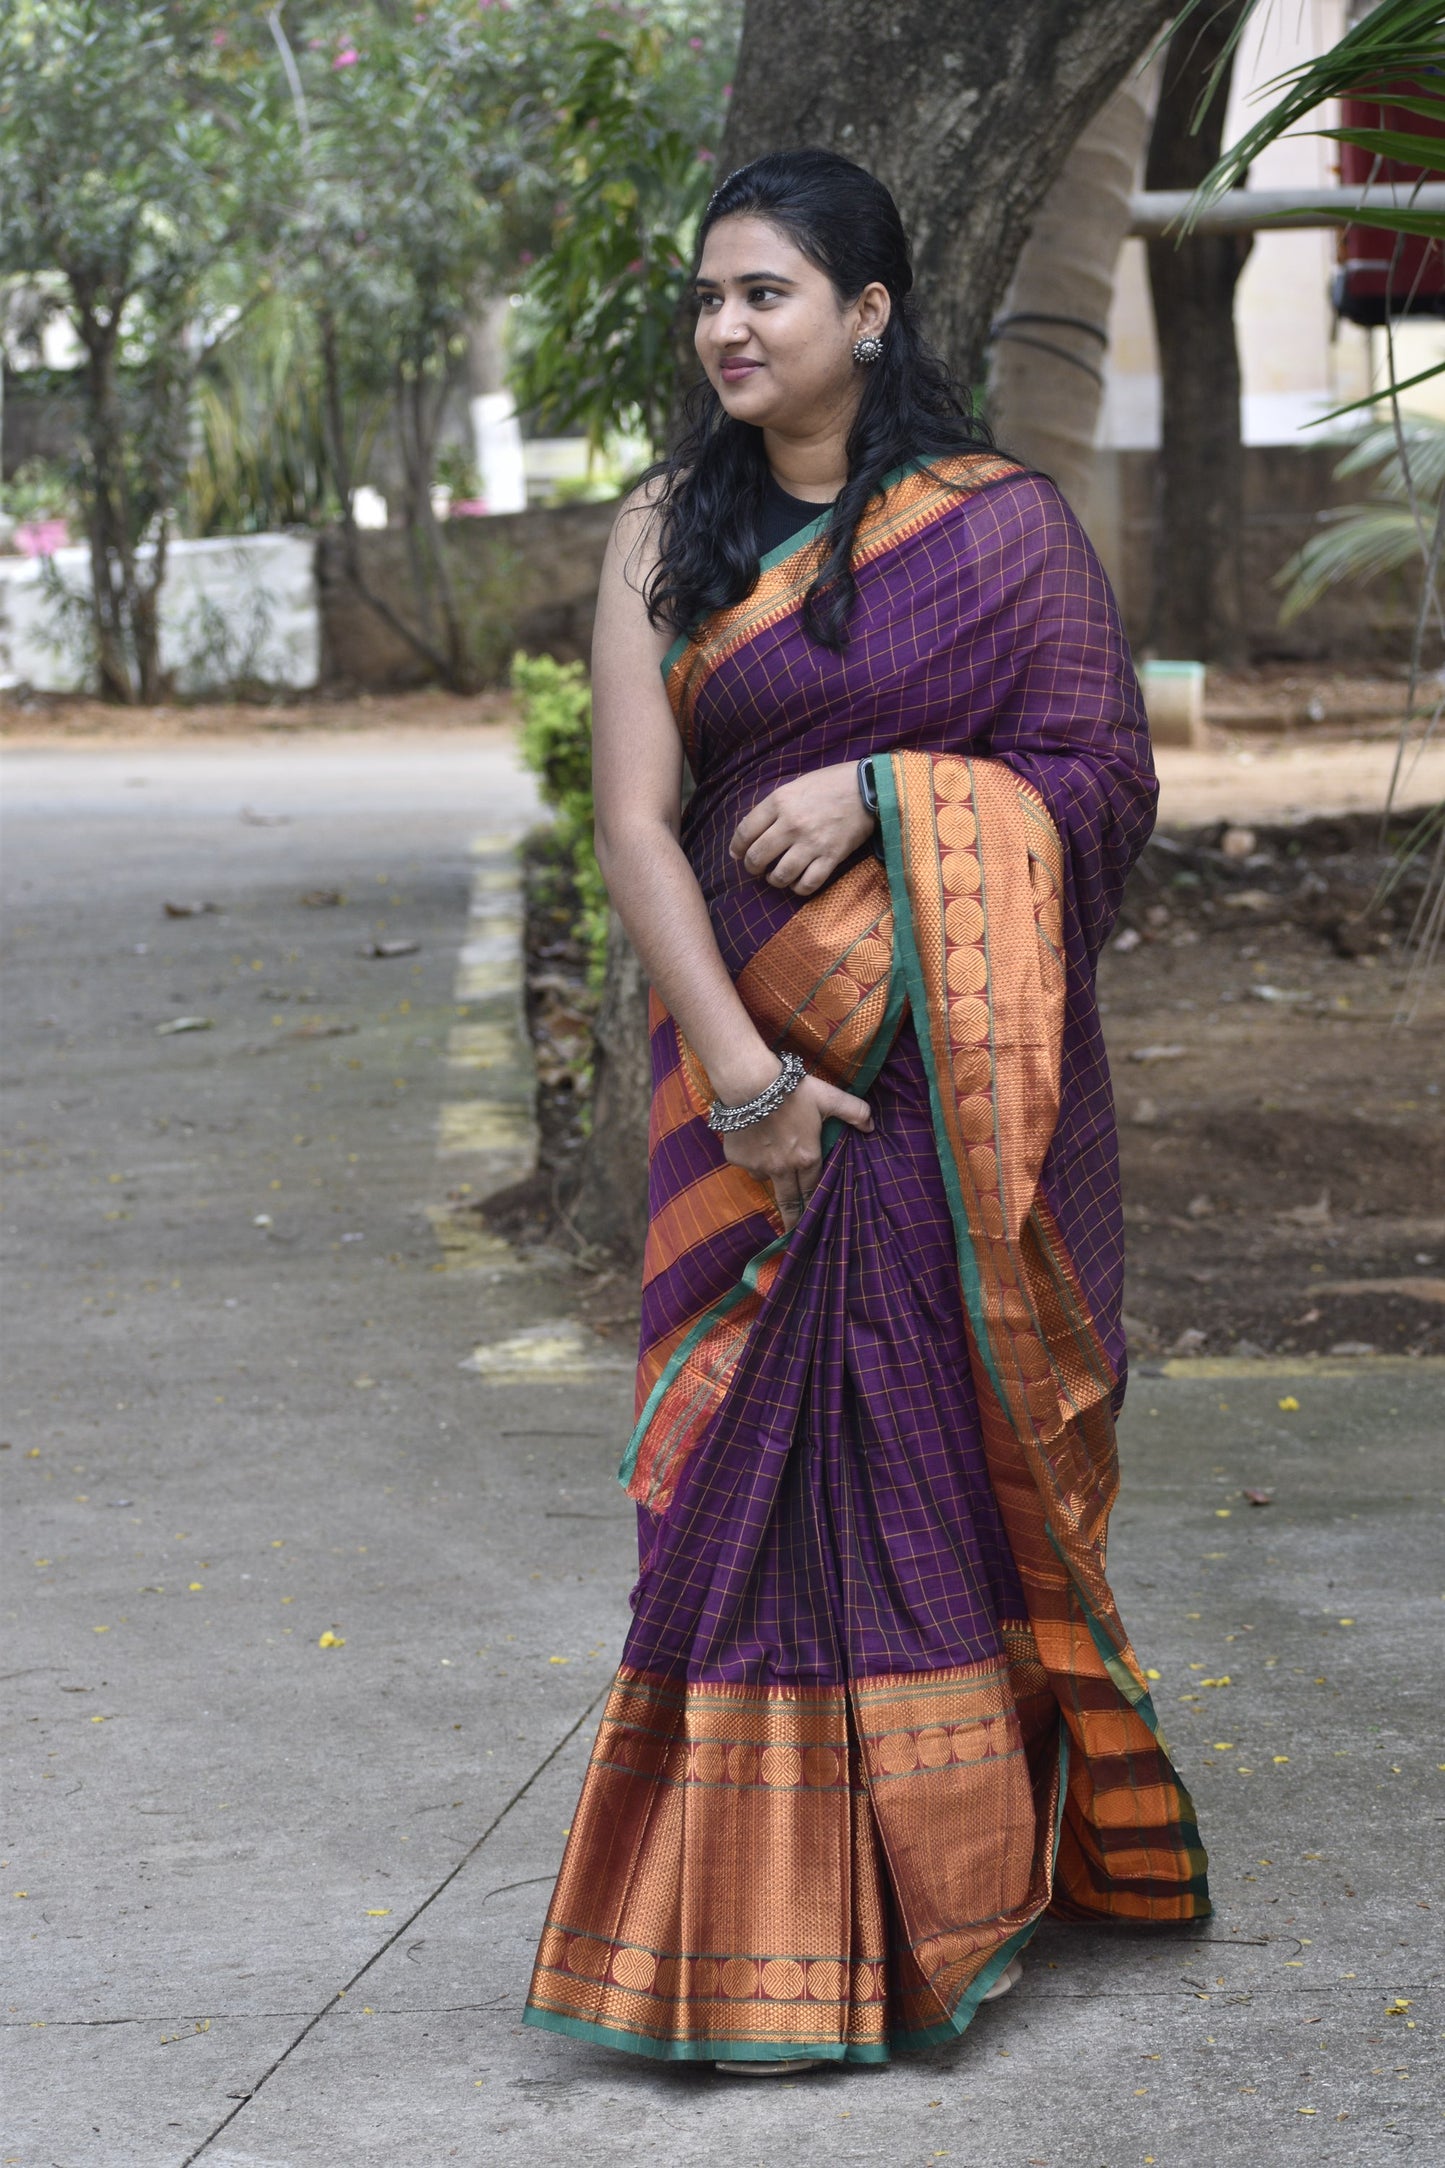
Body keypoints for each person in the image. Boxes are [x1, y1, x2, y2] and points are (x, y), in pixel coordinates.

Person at [523, 148, 1209, 2073]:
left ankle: (937, 1893)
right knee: (735, 1482)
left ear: (871, 314)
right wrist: (738, 1077)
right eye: (710, 299)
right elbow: (634, 818)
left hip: (938, 1083)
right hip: (741, 1076)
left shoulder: (993, 531)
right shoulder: (669, 524)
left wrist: (889, 789)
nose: (726, 329)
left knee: (917, 1451)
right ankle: (741, 1925)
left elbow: (1099, 777)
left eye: (767, 296)